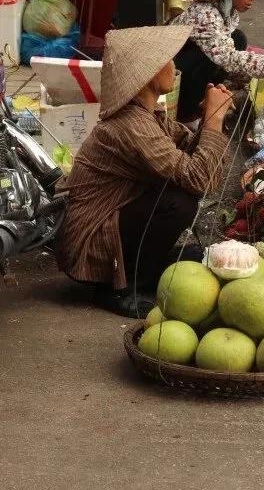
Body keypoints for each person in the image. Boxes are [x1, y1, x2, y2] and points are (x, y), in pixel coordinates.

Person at [56, 26, 233, 318]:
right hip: (89, 241)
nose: (175, 67)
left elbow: (191, 153)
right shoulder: (131, 125)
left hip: (117, 216)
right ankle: (118, 288)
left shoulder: (150, 117)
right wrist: (213, 121)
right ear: (150, 73)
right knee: (180, 203)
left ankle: (147, 267)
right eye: (169, 61)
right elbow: (199, 178)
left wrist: (208, 119)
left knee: (178, 200)